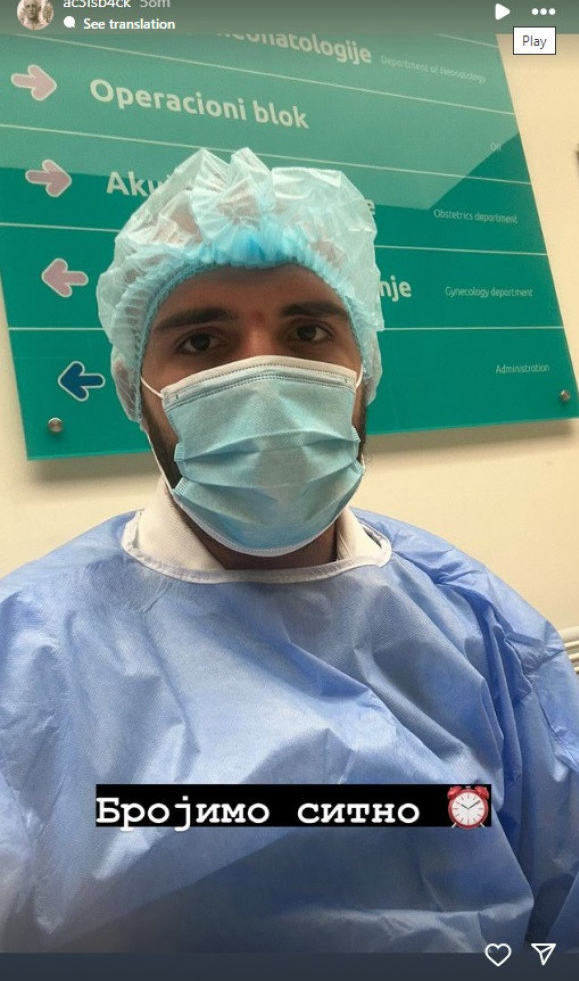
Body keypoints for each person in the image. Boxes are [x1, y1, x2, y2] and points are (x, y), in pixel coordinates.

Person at [0, 147, 578, 954]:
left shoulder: (481, 627)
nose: (262, 374)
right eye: (202, 342)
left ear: (364, 366)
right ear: (138, 389)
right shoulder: (26, 651)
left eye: (307, 331)